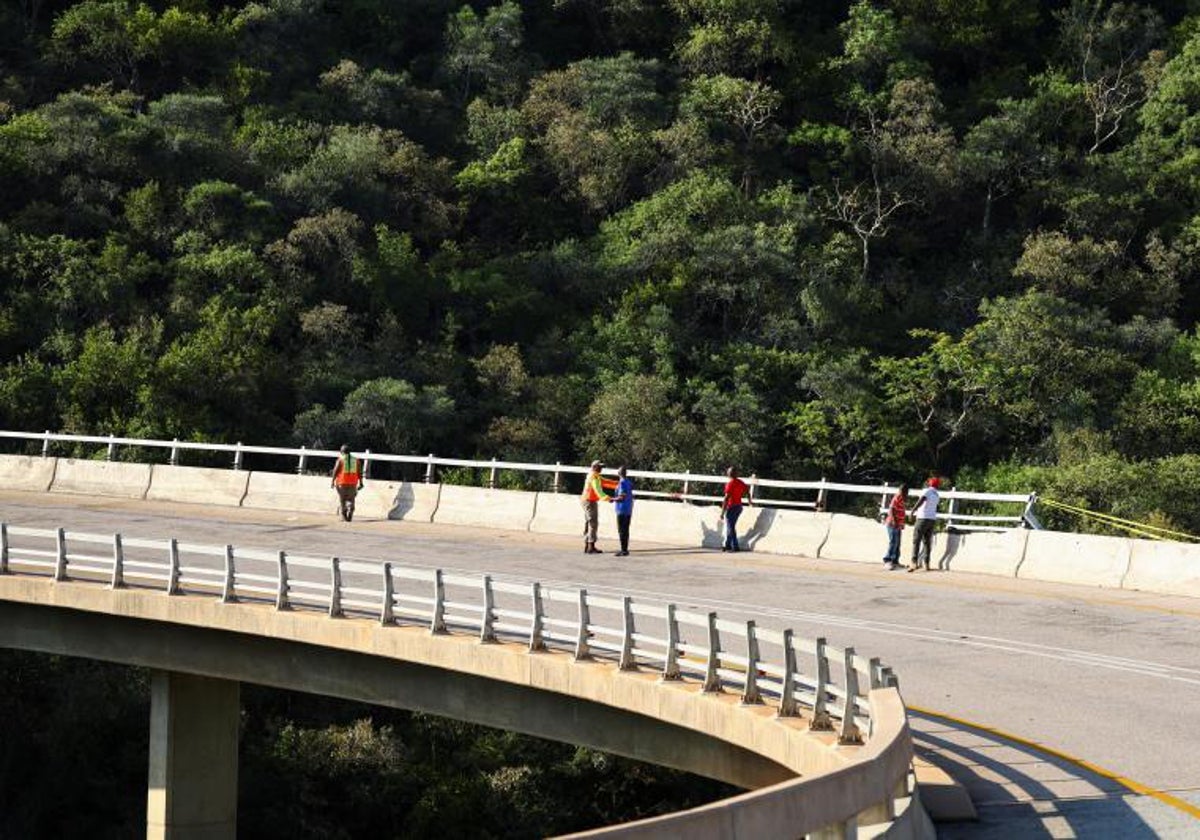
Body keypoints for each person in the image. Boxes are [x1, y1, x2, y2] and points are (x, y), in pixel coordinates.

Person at [580, 460, 614, 554]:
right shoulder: (593, 477)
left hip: (589, 500)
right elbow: (598, 490)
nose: (601, 469)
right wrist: (607, 498)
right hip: (589, 501)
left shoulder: (595, 476)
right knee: (593, 523)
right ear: (594, 467)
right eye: (599, 467)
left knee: (589, 522)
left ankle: (588, 545)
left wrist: (618, 484)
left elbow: (606, 482)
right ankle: (591, 546)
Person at [909, 476, 940, 571]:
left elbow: (921, 500)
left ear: (930, 483)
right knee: (927, 542)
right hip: (932, 519)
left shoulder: (927, 491)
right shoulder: (937, 494)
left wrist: (913, 510)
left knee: (916, 540)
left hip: (922, 518)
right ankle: (927, 563)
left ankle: (914, 562)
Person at [720, 466, 750, 552]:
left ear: (729, 474)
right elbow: (747, 492)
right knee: (731, 526)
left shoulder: (730, 484)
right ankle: (728, 545)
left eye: (728, 472)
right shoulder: (741, 482)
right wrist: (750, 502)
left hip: (731, 507)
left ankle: (735, 545)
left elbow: (726, 498)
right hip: (739, 507)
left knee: (731, 526)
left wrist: (722, 512)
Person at [330, 444, 364, 521]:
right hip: (353, 483)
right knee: (352, 499)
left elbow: (335, 471)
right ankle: (350, 512)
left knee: (342, 500)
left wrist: (332, 481)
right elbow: (359, 472)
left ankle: (344, 515)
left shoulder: (340, 460)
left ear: (341, 452)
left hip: (341, 483)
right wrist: (361, 482)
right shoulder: (356, 460)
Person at [882, 483, 908, 570]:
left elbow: (901, 512)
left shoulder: (902, 499)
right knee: (893, 542)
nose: (905, 493)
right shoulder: (897, 497)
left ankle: (895, 561)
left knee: (897, 543)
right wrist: (894, 521)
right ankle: (887, 560)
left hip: (898, 525)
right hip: (893, 524)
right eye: (904, 491)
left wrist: (901, 524)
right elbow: (892, 509)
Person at [612, 466, 634, 556]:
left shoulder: (622, 483)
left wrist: (612, 499)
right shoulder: (629, 482)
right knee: (626, 529)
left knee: (621, 530)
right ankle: (625, 548)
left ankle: (623, 550)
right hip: (628, 509)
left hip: (622, 509)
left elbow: (622, 496)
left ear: (619, 473)